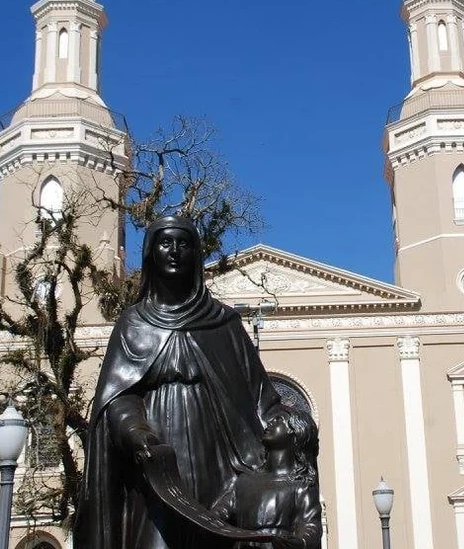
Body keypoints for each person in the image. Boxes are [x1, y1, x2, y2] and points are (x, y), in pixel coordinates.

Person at [74, 216, 285, 548]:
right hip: (158, 463)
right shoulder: (134, 323)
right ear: (151, 253)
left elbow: (261, 397)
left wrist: (287, 423)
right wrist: (136, 433)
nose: (174, 251)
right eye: (165, 243)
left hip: (220, 460)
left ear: (196, 254)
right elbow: (118, 397)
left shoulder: (224, 323)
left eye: (183, 244)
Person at [210, 408, 323, 549]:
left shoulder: (301, 486)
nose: (269, 422)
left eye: (279, 420)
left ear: (295, 432)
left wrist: (299, 542)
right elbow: (217, 515)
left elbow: (310, 526)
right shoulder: (244, 482)